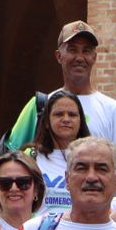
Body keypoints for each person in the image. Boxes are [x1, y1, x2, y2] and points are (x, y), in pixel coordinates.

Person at [1, 21, 116, 155]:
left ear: (94, 57)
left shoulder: (113, 110)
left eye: (86, 51)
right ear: (59, 56)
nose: (80, 57)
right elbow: (11, 157)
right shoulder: (40, 107)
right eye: (72, 50)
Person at [33, 89, 89, 217]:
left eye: (72, 114)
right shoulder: (31, 157)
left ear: (81, 121)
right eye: (59, 114)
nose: (66, 119)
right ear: (46, 122)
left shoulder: (93, 158)